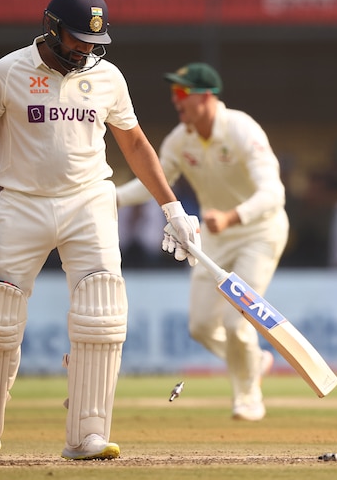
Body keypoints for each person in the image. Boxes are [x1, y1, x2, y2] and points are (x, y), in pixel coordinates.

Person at [0, 0, 199, 460]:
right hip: (20, 202)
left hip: (89, 202)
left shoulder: (108, 78)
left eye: (93, 42)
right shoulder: (7, 72)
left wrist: (172, 208)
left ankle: (88, 433)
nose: (85, 50)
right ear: (50, 26)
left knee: (102, 312)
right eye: (77, 38)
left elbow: (137, 145)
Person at [116, 62, 289, 421]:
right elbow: (151, 183)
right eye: (173, 92)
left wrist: (231, 216)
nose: (175, 100)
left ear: (206, 96)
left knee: (234, 321)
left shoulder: (241, 129)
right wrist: (106, 195)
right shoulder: (180, 139)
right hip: (214, 236)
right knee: (201, 327)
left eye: (183, 92)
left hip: (259, 231)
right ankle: (252, 362)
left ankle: (248, 397)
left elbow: (274, 192)